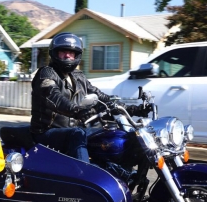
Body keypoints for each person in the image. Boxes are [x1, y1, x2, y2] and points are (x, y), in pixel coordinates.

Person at [30, 32, 148, 163]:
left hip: (74, 129)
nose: (68, 55)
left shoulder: (78, 76)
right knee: (78, 134)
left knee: (112, 135)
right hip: (47, 132)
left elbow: (101, 97)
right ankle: (83, 176)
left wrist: (135, 109)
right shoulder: (46, 74)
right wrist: (78, 110)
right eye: (63, 51)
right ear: (54, 53)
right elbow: (54, 97)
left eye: (71, 52)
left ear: (77, 55)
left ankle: (121, 174)